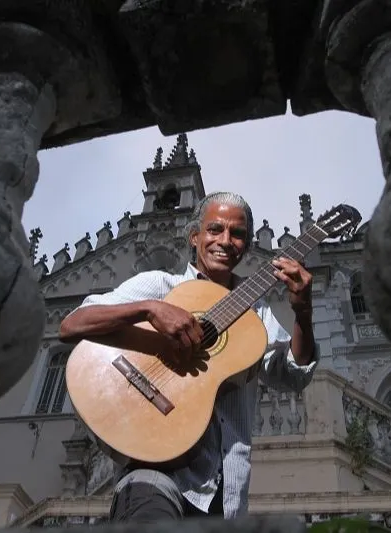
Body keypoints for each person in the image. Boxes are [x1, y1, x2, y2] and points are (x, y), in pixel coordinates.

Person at [59, 191, 318, 522]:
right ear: (194, 237)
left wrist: (304, 312)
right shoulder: (162, 285)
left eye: (237, 234)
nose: (225, 241)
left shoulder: (257, 313)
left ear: (247, 246)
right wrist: (150, 308)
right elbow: (73, 324)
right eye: (215, 229)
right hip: (153, 474)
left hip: (228, 494)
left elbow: (293, 374)